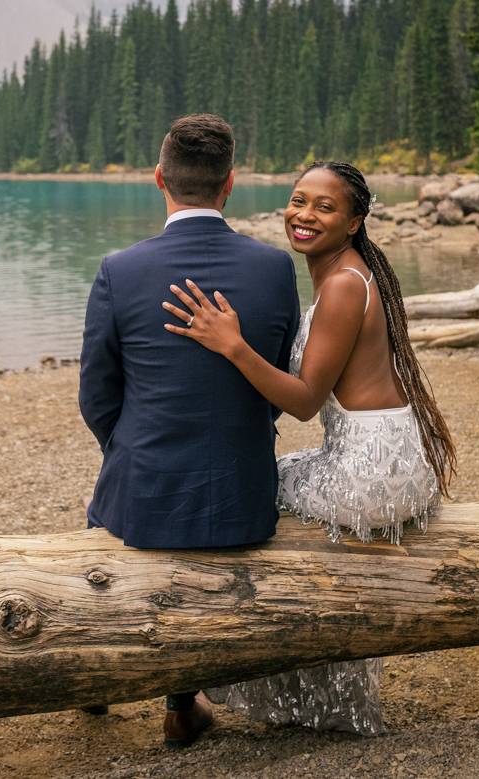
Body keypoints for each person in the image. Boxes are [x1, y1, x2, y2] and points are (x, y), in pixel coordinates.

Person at [161, 160, 455, 734]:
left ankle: (208, 670)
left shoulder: (344, 284)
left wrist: (233, 345)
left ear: (354, 222)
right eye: (298, 201)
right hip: (389, 455)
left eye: (324, 206)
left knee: (248, 492)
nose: (303, 215)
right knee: (268, 483)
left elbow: (302, 401)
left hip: (372, 473)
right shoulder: (346, 270)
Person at [79, 113, 301, 749]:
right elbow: (277, 384)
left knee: (100, 521)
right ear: (229, 185)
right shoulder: (273, 269)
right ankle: (182, 703)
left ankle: (94, 676)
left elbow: (97, 395)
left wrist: (131, 452)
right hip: (243, 499)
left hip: (144, 496)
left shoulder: (119, 271)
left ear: (159, 179)